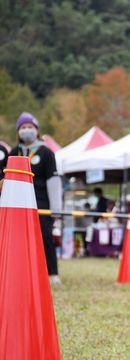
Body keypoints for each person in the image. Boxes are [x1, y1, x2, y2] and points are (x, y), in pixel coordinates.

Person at [1, 112, 63, 284]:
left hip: (41, 203)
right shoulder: (14, 152)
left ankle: (52, 274)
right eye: (23, 127)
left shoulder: (46, 153)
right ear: (18, 131)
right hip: (17, 203)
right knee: (17, 240)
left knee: (45, 238)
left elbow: (53, 181)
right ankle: (20, 273)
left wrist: (56, 209)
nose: (26, 130)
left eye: (30, 127)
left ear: (36, 130)